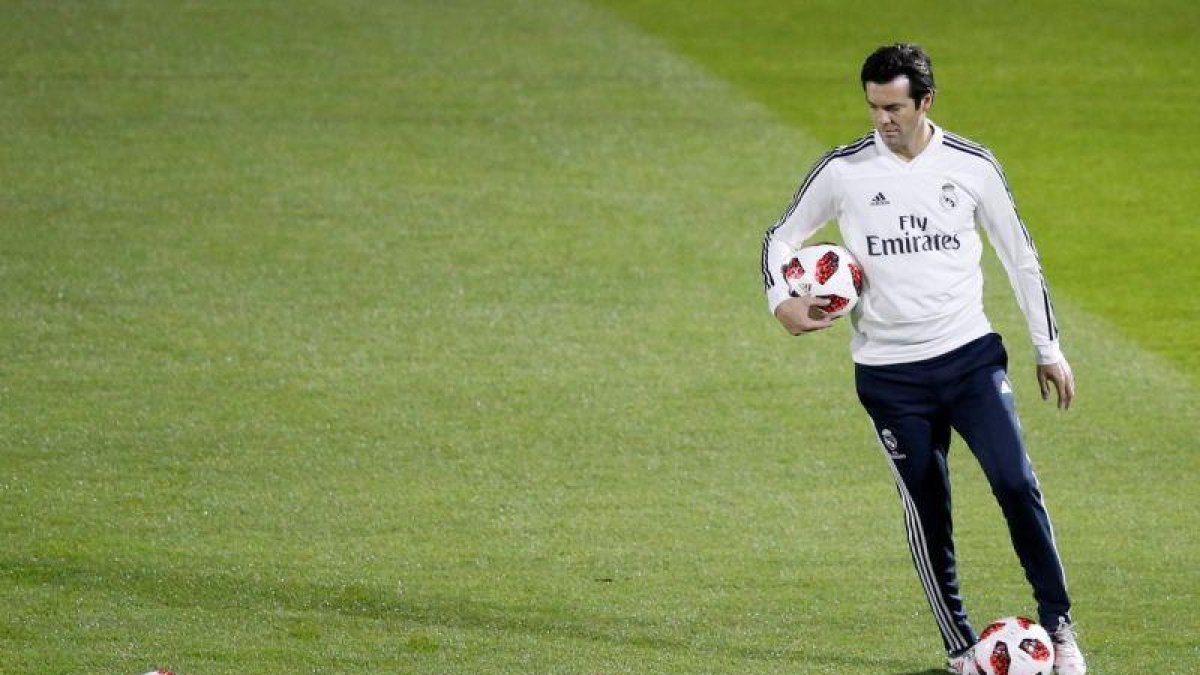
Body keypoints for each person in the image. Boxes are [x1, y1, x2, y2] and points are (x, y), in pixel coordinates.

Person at [760, 43, 1087, 674]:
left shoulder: (972, 166)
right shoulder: (843, 171)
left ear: (925, 101)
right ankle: (961, 647)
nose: (882, 119)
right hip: (889, 378)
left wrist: (1049, 349)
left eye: (895, 107)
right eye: (874, 107)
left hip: (970, 359)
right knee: (928, 511)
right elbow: (781, 236)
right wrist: (781, 302)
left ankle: (1060, 626)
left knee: (1015, 482)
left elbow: (1021, 258)